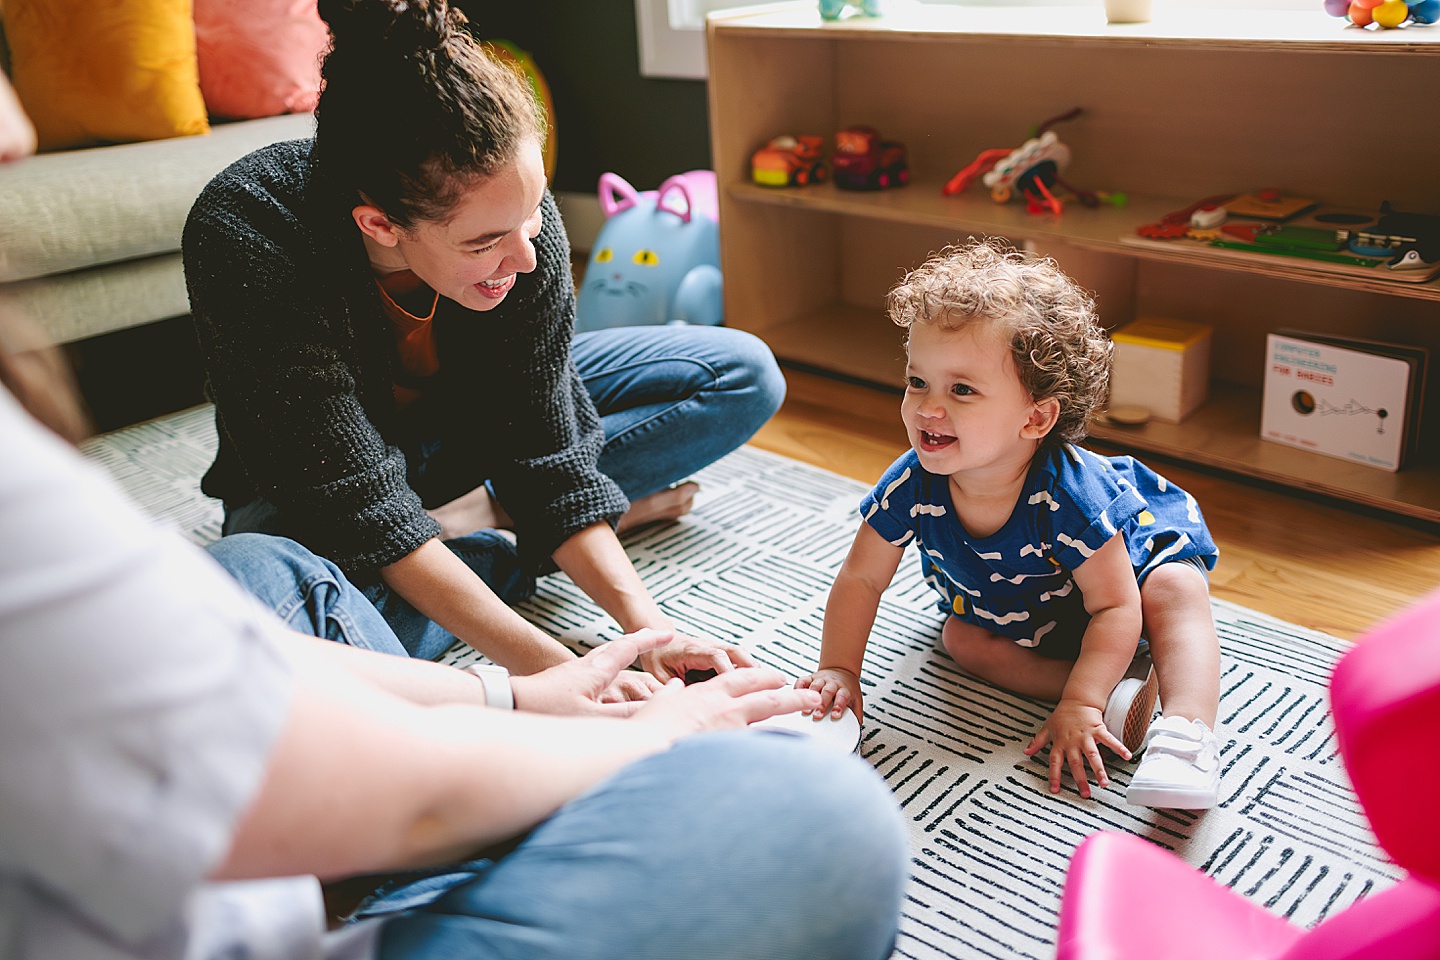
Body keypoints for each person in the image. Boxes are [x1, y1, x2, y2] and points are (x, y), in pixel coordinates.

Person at [0, 312, 910, 960]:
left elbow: (226, 647)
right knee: (816, 814)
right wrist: (652, 739)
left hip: (194, 848)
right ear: (380, 221)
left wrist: (515, 692)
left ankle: (483, 529)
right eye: (484, 237)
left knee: (256, 568)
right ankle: (483, 544)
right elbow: (406, 798)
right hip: (254, 878)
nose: (15, 134)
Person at [182, 0, 785, 690]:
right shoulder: (250, 229)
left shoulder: (515, 221)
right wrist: (564, 676)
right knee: (284, 603)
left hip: (468, 436)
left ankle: (483, 515)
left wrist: (651, 633)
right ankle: (498, 545)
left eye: (532, 216)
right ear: (380, 225)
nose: (526, 259)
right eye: (484, 242)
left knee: (740, 374)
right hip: (311, 485)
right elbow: (356, 504)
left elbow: (547, 448)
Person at [796, 240, 1224, 810]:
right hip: (1028, 606)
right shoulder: (911, 484)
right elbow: (861, 580)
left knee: (1174, 590)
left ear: (1035, 417)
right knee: (962, 641)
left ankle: (1188, 732)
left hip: (1127, 572)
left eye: (962, 390)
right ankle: (1124, 689)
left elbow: (1117, 606)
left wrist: (1080, 706)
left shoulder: (1074, 497)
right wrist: (840, 669)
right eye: (917, 381)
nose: (928, 407)